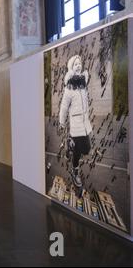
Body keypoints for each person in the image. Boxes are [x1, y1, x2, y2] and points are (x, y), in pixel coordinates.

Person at [59, 55, 93, 188]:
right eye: (75, 64)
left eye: (80, 63)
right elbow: (64, 106)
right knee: (80, 150)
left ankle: (71, 144)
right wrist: (62, 122)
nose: (78, 65)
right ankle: (75, 170)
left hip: (84, 123)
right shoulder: (69, 88)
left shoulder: (83, 84)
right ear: (71, 68)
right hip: (76, 125)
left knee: (87, 149)